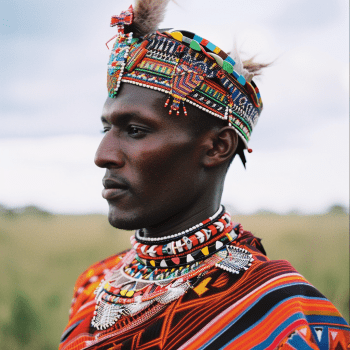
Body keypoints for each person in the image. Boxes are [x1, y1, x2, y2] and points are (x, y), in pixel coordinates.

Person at [59, 1, 349, 349]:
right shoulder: (93, 285)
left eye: (135, 130)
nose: (102, 156)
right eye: (106, 128)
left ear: (217, 147)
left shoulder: (281, 313)